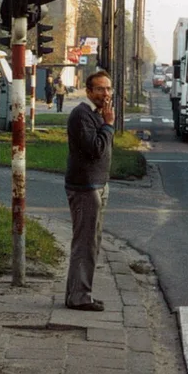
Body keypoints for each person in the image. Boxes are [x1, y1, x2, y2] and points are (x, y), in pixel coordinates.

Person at [64, 70, 115, 312]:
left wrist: (105, 123)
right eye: (100, 89)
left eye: (108, 89)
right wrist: (108, 126)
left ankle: (78, 293)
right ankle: (80, 297)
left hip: (97, 184)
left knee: (91, 242)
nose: (106, 94)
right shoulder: (82, 115)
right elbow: (95, 149)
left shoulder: (95, 114)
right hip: (85, 187)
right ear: (88, 91)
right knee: (85, 243)